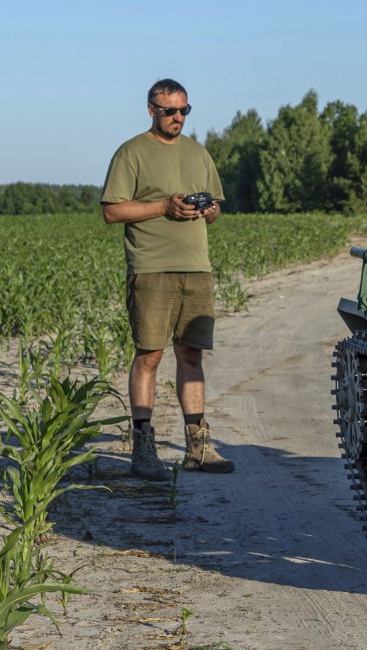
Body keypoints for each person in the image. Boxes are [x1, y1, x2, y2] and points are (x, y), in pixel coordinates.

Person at [101, 78, 235, 481]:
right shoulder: (131, 153)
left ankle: (197, 447)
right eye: (169, 111)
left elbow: (216, 209)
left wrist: (208, 210)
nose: (177, 118)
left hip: (196, 267)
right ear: (151, 110)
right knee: (150, 355)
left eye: (184, 111)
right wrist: (164, 206)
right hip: (150, 267)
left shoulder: (198, 153)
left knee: (191, 355)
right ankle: (143, 448)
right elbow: (111, 211)